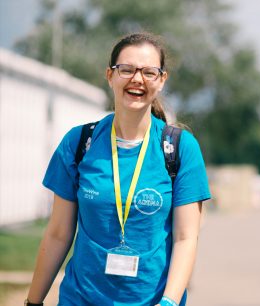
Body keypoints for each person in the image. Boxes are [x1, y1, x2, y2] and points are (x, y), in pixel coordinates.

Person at [25, 32, 211, 306]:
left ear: (161, 80)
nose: (137, 79)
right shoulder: (79, 143)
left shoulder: (180, 148)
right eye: (126, 70)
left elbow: (186, 238)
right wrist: (33, 302)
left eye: (149, 72)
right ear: (110, 76)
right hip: (80, 299)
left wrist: (169, 302)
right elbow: (58, 233)